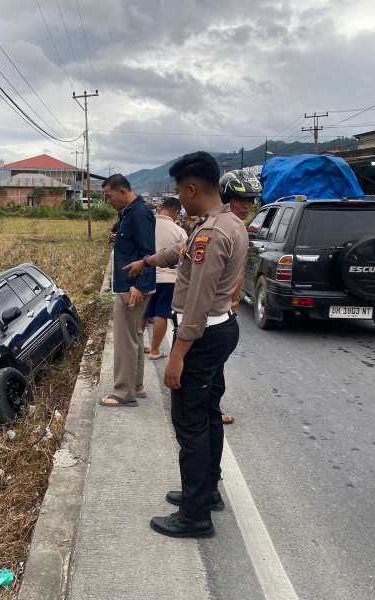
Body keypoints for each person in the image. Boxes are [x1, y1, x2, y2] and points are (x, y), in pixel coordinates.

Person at [125, 151, 247, 537]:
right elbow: (181, 254)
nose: (178, 198)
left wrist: (176, 356)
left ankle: (195, 516)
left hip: (203, 333)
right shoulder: (225, 222)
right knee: (208, 414)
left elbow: (196, 301)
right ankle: (206, 491)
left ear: (192, 189)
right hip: (219, 329)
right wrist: (147, 262)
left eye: (179, 191)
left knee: (190, 424)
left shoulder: (212, 233)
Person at [99, 174, 155, 407]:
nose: (108, 201)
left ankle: (123, 392)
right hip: (131, 286)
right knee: (135, 336)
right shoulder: (129, 214)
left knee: (125, 340)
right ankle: (136, 385)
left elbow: (148, 253)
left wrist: (139, 286)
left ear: (122, 192)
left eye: (109, 196)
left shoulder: (139, 214)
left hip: (132, 287)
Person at [218, 169, 263, 423]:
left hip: (227, 311)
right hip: (214, 313)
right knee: (210, 367)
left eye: (251, 200)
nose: (247, 205)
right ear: (226, 198)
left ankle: (211, 407)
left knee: (215, 366)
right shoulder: (221, 230)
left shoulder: (239, 229)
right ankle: (208, 409)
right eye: (241, 199)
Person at [141, 197, 185, 360]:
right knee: (161, 313)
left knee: (144, 314)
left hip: (146, 276)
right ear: (175, 212)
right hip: (168, 280)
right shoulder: (178, 230)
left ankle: (137, 347)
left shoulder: (147, 226)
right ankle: (154, 350)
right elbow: (185, 258)